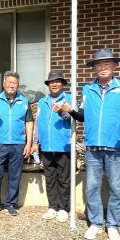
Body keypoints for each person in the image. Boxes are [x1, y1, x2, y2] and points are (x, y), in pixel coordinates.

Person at [64, 48, 120, 240]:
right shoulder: (88, 89)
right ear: (94, 68)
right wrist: (71, 112)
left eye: (106, 64)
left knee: (116, 188)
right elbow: (85, 115)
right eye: (98, 64)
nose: (102, 67)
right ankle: (95, 223)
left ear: (113, 66)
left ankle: (112, 225)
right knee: (92, 187)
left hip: (115, 146)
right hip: (92, 147)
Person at [0, 71, 34, 217]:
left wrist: (28, 143)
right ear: (4, 84)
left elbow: (29, 122)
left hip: (18, 143)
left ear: (18, 85)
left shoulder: (24, 101)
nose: (12, 85)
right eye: (9, 82)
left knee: (15, 175)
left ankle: (10, 203)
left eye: (15, 83)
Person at [33, 70, 72, 222]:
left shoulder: (68, 99)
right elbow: (37, 123)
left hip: (63, 145)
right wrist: (35, 142)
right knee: (50, 178)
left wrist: (62, 111)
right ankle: (52, 207)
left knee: (63, 178)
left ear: (62, 84)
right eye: (51, 82)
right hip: (47, 146)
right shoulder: (42, 102)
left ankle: (63, 208)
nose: (54, 84)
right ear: (48, 85)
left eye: (57, 81)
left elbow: (73, 119)